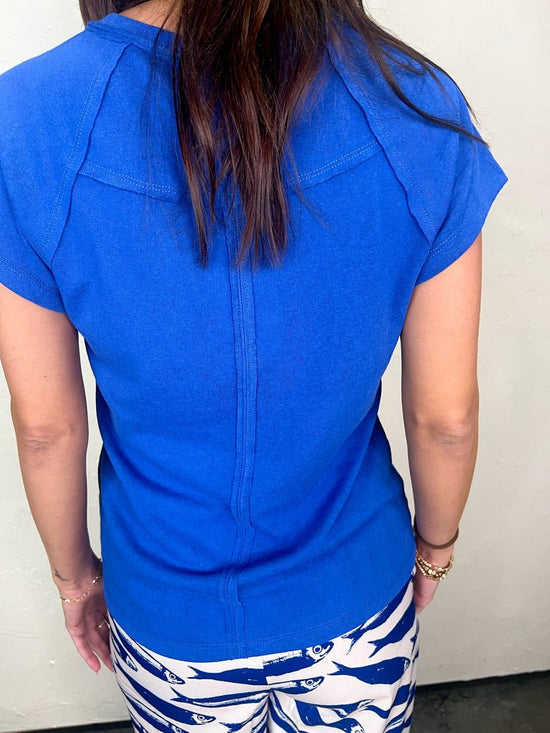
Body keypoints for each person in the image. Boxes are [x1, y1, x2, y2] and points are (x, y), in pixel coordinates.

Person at [0, 0, 508, 731]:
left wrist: (75, 577)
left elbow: (46, 428)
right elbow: (446, 419)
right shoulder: (414, 101)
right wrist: (434, 547)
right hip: (355, 591)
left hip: (170, 614)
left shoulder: (25, 119)